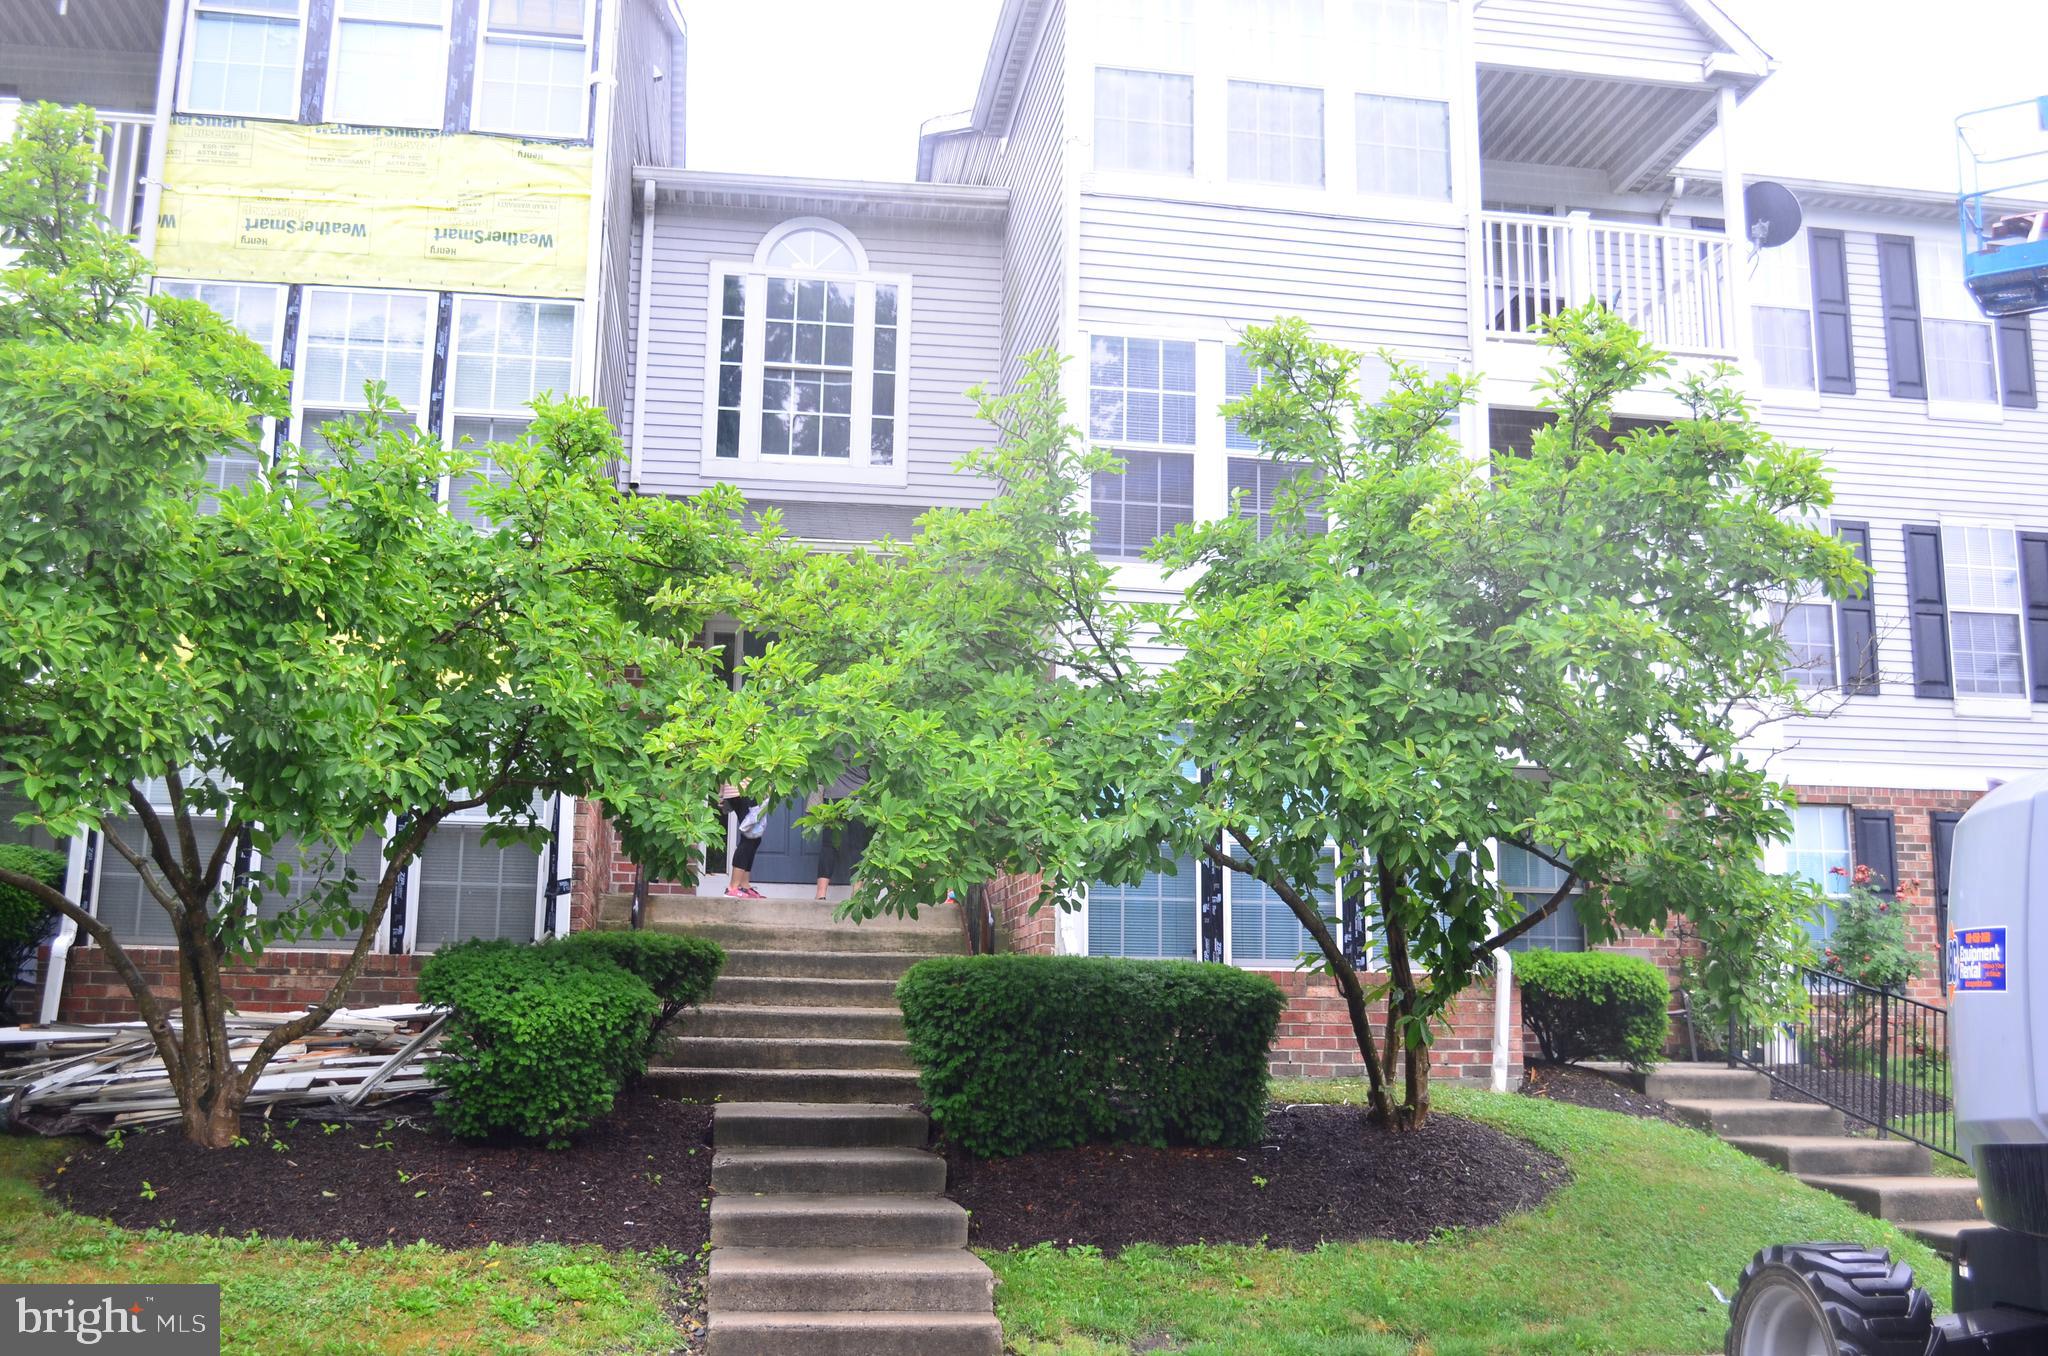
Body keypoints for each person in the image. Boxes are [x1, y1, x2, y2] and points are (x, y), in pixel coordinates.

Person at [807, 765, 869, 902]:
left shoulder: (826, 743)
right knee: (857, 847)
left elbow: (818, 768)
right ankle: (856, 893)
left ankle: (820, 894)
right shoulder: (869, 743)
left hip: (833, 797)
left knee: (828, 845)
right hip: (859, 797)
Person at [720, 779, 765, 899]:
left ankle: (744, 885)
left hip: (748, 788)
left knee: (754, 839)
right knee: (749, 838)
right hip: (741, 789)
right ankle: (732, 887)